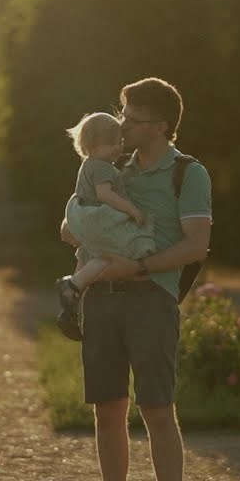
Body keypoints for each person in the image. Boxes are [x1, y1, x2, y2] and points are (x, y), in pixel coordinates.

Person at [59, 77, 212, 481]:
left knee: (157, 409)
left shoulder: (188, 174)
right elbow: (68, 226)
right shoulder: (109, 167)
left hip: (151, 298)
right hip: (103, 297)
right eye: (122, 114)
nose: (121, 123)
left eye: (131, 116)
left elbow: (196, 246)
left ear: (160, 126)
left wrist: (139, 264)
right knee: (108, 409)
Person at [55, 112, 157, 342]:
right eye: (111, 143)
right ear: (92, 145)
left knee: (86, 258)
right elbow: (105, 195)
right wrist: (132, 210)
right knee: (110, 255)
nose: (117, 148)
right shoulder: (101, 167)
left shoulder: (89, 165)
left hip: (84, 219)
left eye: (119, 142)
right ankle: (72, 285)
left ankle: (70, 310)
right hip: (95, 219)